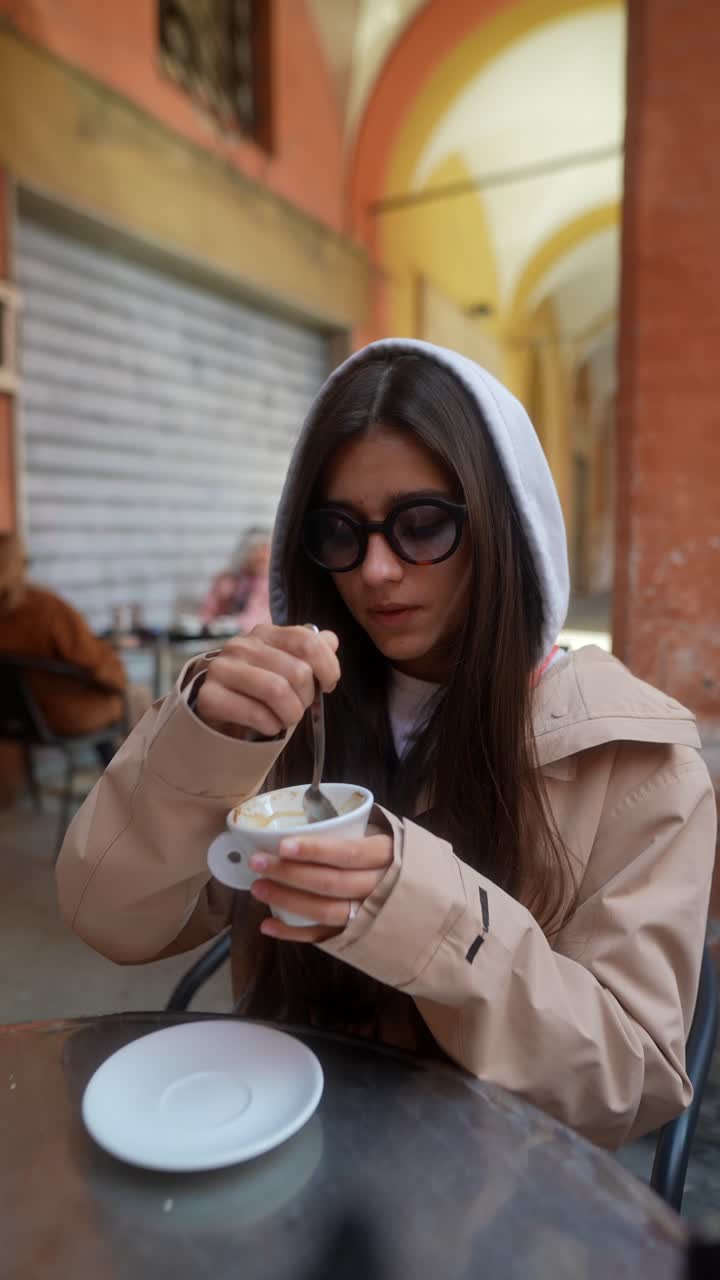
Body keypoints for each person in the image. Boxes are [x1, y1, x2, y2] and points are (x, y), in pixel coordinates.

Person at [56, 340, 716, 1150]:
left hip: (500, 1197)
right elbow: (113, 922)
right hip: (266, 1148)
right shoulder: (281, 712)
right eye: (339, 532)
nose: (374, 571)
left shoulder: (635, 758)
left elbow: (630, 1083)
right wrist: (204, 742)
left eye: (422, 525)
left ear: (505, 524)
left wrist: (417, 906)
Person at [0, 531, 129, 736]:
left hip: (12, 718)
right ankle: (138, 766)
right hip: (60, 713)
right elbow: (93, 661)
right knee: (135, 698)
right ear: (18, 565)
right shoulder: (44, 608)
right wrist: (119, 676)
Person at [198, 527, 271, 632]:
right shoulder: (228, 580)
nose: (262, 556)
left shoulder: (269, 584)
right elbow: (207, 613)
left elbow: (258, 618)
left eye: (266, 551)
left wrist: (232, 623)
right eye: (256, 551)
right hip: (222, 635)